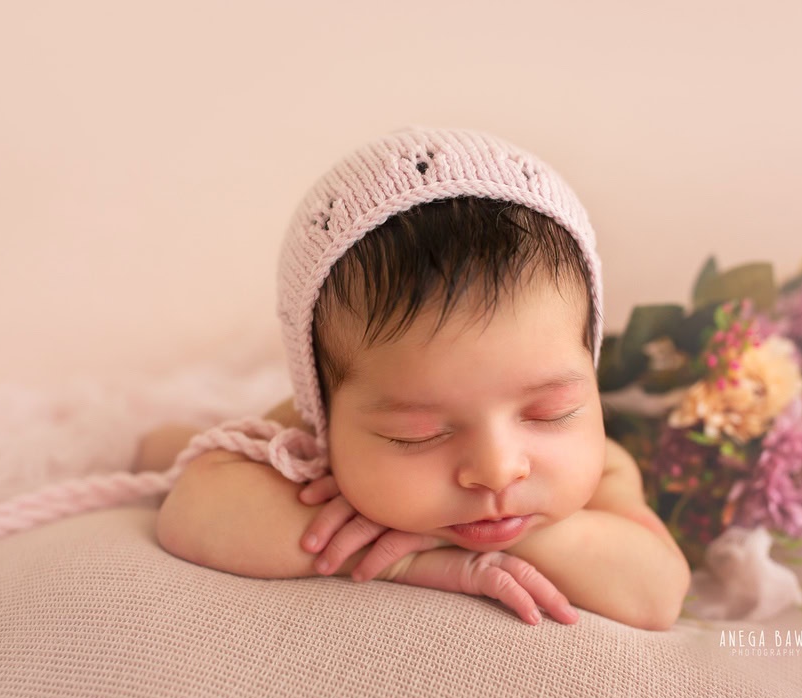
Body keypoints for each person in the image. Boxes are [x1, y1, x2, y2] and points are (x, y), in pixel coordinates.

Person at [149, 125, 690, 630]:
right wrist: (401, 560)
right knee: (162, 446)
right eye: (418, 434)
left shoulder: (606, 471)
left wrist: (519, 538)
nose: (497, 471)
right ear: (324, 414)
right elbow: (194, 512)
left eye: (550, 414)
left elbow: (658, 592)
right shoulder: (309, 433)